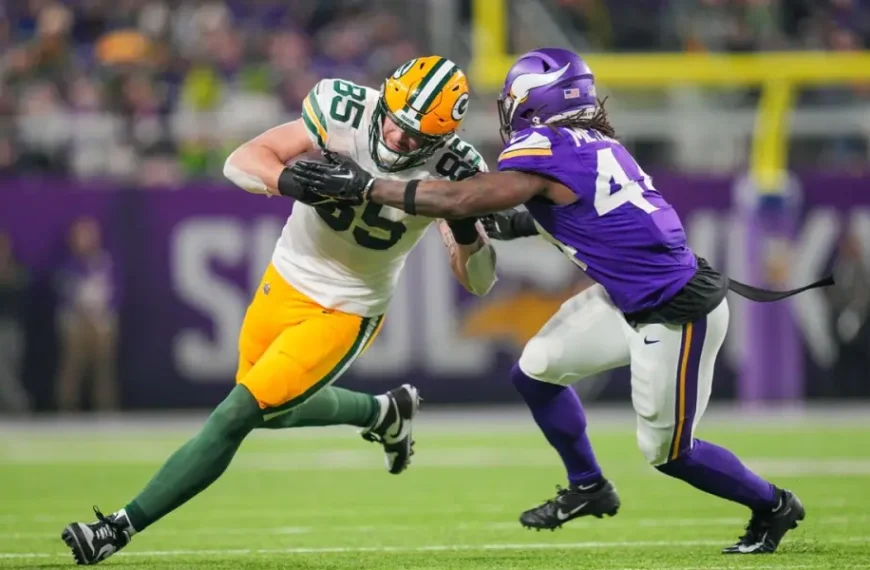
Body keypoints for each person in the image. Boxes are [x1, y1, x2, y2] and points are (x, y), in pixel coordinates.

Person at [288, 48, 834, 555]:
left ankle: (774, 504)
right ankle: (588, 487)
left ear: (533, 101)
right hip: (628, 298)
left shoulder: (547, 147)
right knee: (537, 370)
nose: (508, 108)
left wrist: (367, 186)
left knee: (669, 453)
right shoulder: (595, 144)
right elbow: (582, 214)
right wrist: (518, 222)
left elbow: (458, 197)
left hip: (674, 312)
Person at [60, 55, 497, 565]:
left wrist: (465, 223)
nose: (400, 139)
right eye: (397, 122)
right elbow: (243, 159)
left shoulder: (459, 168)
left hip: (347, 308)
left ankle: (117, 528)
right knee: (270, 413)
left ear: (442, 139)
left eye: (416, 136)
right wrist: (292, 182)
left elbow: (480, 280)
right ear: (385, 98)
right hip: (283, 279)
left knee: (236, 413)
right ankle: (383, 412)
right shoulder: (343, 108)